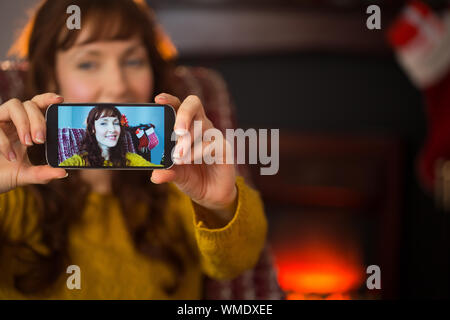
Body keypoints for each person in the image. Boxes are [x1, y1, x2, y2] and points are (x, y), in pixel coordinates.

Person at [0, 0, 267, 299]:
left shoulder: (179, 177)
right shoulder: (14, 187)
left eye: (133, 61)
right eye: (88, 63)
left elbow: (238, 262)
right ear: (51, 77)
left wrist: (221, 205)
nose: (118, 85)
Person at [59, 105, 162, 167]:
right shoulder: (79, 160)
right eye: (104, 123)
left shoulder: (130, 158)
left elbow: (150, 167)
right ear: (93, 129)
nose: (113, 130)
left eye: (116, 123)